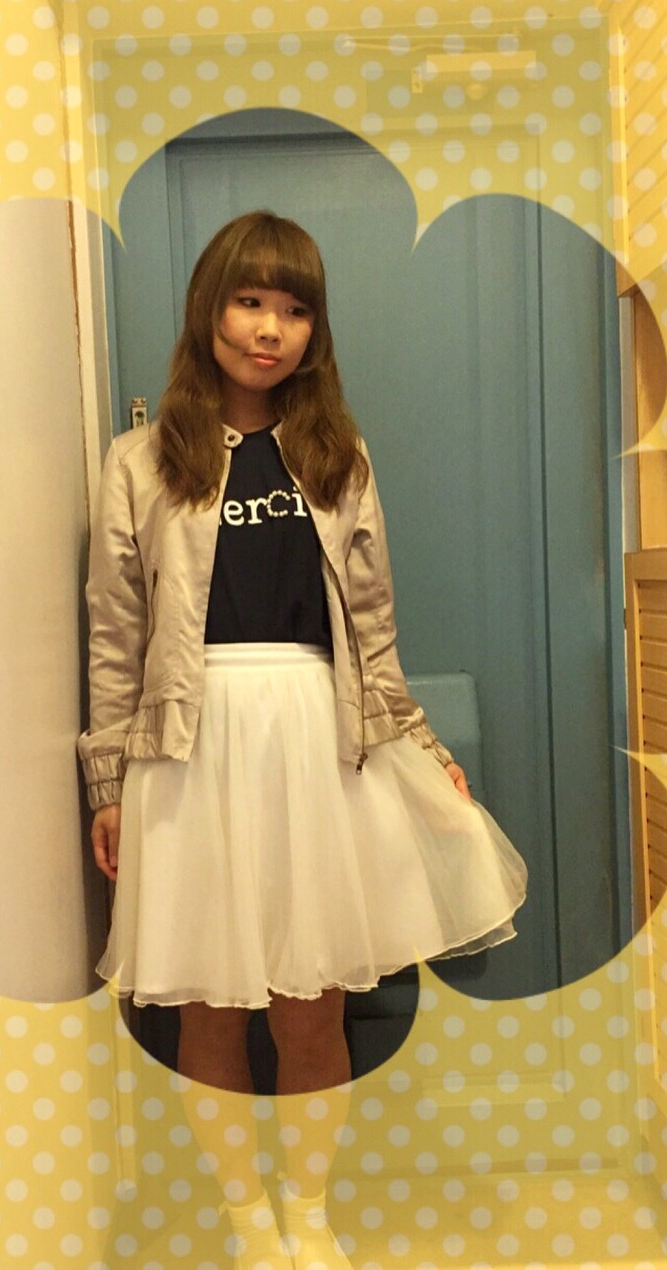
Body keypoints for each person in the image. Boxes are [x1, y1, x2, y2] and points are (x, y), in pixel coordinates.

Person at [78, 210, 528, 1269]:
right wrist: (106, 781)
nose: (268, 328)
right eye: (249, 302)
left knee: (311, 1004)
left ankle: (309, 1212)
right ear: (211, 310)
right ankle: (246, 1220)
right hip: (188, 748)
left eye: (293, 309)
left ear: (314, 329)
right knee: (206, 1004)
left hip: (317, 741)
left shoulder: (337, 456)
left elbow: (373, 626)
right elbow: (115, 632)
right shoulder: (140, 461)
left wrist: (421, 746)